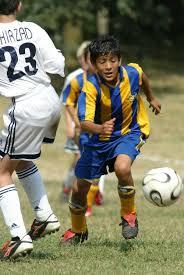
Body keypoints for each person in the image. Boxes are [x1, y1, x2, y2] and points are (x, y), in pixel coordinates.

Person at [61, 35, 161, 244]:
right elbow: (84, 122)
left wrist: (151, 97)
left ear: (119, 60)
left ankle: (129, 216)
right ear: (94, 64)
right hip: (97, 141)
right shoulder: (90, 88)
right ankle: (78, 230)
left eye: (112, 60)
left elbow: (142, 77)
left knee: (123, 167)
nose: (108, 66)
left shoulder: (131, 73)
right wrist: (99, 127)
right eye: (102, 62)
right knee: (79, 189)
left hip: (128, 133)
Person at [0, 0, 65, 259]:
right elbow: (56, 64)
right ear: (19, 5)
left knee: (2, 172)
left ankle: (18, 237)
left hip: (26, 106)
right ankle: (45, 216)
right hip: (49, 98)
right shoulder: (33, 29)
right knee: (21, 158)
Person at [61, 44, 105, 216]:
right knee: (85, 166)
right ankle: (80, 202)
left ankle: (88, 201)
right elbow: (68, 102)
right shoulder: (77, 80)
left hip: (102, 131)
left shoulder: (105, 80)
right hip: (84, 133)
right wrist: (74, 124)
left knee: (98, 168)